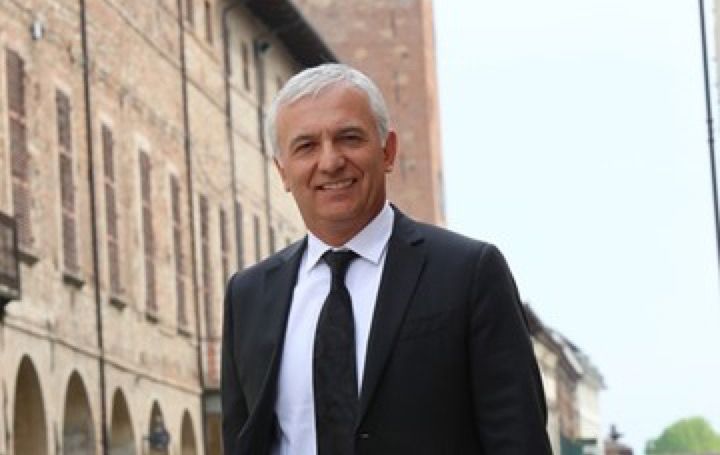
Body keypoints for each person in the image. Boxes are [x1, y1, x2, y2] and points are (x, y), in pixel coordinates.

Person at [221, 63, 552, 455]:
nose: (330, 161)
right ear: (282, 171)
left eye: (348, 138)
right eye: (306, 146)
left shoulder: (468, 273)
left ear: (388, 151)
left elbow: (519, 441)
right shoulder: (248, 296)